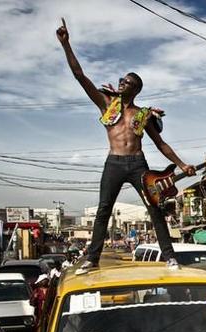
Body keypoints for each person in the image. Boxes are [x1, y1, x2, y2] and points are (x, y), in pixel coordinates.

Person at [56, 19, 195, 275]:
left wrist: (181, 164)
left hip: (137, 163)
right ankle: (92, 259)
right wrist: (66, 45)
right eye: (122, 80)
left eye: (127, 82)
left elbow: (160, 143)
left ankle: (170, 257)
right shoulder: (107, 104)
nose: (122, 83)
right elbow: (80, 76)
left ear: (136, 89)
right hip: (114, 162)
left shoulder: (143, 114)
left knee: (155, 208)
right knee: (103, 211)